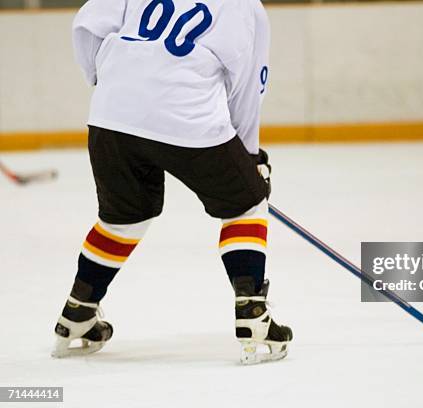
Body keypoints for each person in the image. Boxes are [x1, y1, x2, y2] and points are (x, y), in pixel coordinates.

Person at [51, 0, 292, 365]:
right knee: (245, 204)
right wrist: (249, 155)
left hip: (111, 113)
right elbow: (246, 85)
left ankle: (78, 313)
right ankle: (253, 315)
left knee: (124, 217)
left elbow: (86, 26)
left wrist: (110, 83)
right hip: (188, 115)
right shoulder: (246, 6)